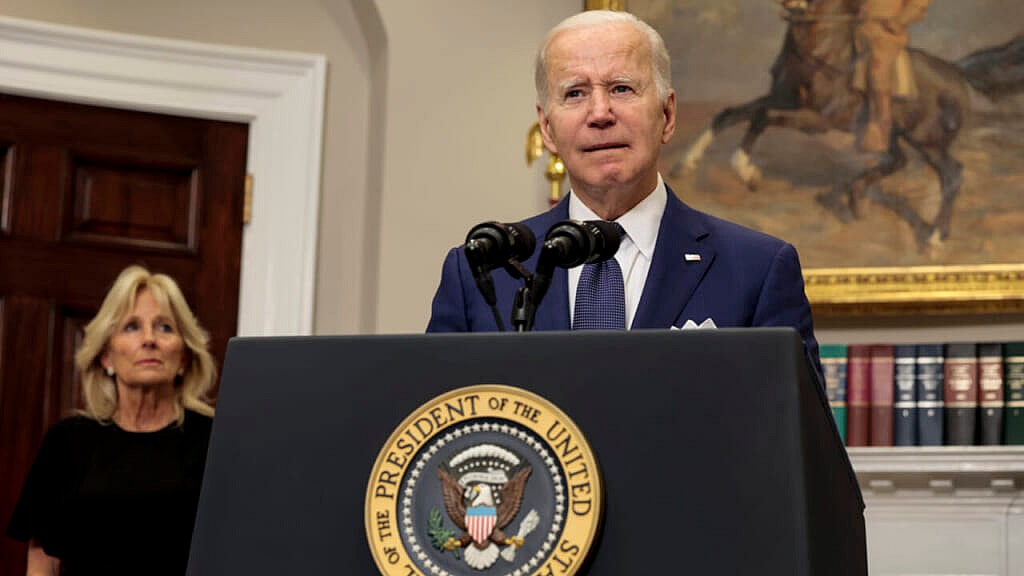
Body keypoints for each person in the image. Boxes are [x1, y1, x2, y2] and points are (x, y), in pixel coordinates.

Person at [427, 10, 822, 377]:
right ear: (547, 129)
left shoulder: (757, 269)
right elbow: (434, 431)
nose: (600, 113)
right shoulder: (482, 272)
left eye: (621, 88)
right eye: (575, 94)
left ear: (666, 116)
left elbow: (794, 440)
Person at [6, 265, 216, 576]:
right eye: (131, 327)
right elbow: (43, 557)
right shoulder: (68, 441)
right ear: (106, 356)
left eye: (165, 328)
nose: (149, 340)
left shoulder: (216, 440)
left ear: (184, 357)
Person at [854, 0, 933, 152]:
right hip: (863, 29)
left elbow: (918, 4)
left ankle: (881, 133)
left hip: (887, 32)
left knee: (878, 74)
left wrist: (898, 21)